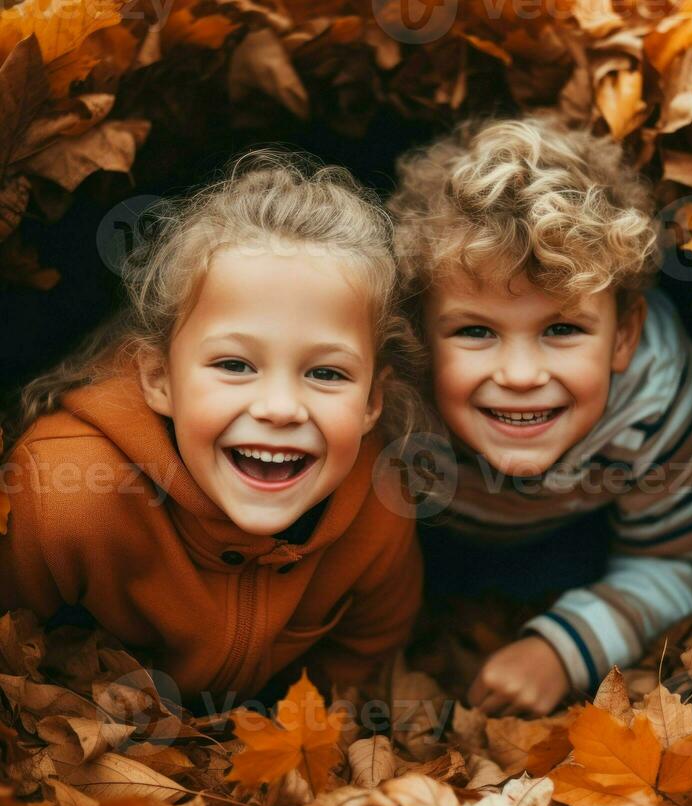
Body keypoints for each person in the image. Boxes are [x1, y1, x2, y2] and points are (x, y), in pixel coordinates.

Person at [0, 152, 425, 713]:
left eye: (325, 373)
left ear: (372, 401)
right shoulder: (67, 495)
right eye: (234, 365)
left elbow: (361, 661)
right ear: (159, 379)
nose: (279, 408)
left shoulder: (378, 507)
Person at [388, 112, 692, 718]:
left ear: (624, 337)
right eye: (475, 330)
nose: (521, 376)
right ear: (417, 333)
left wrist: (563, 649)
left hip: (576, 535)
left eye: (563, 328)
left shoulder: (650, 400)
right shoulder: (388, 392)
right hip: (419, 541)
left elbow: (681, 557)